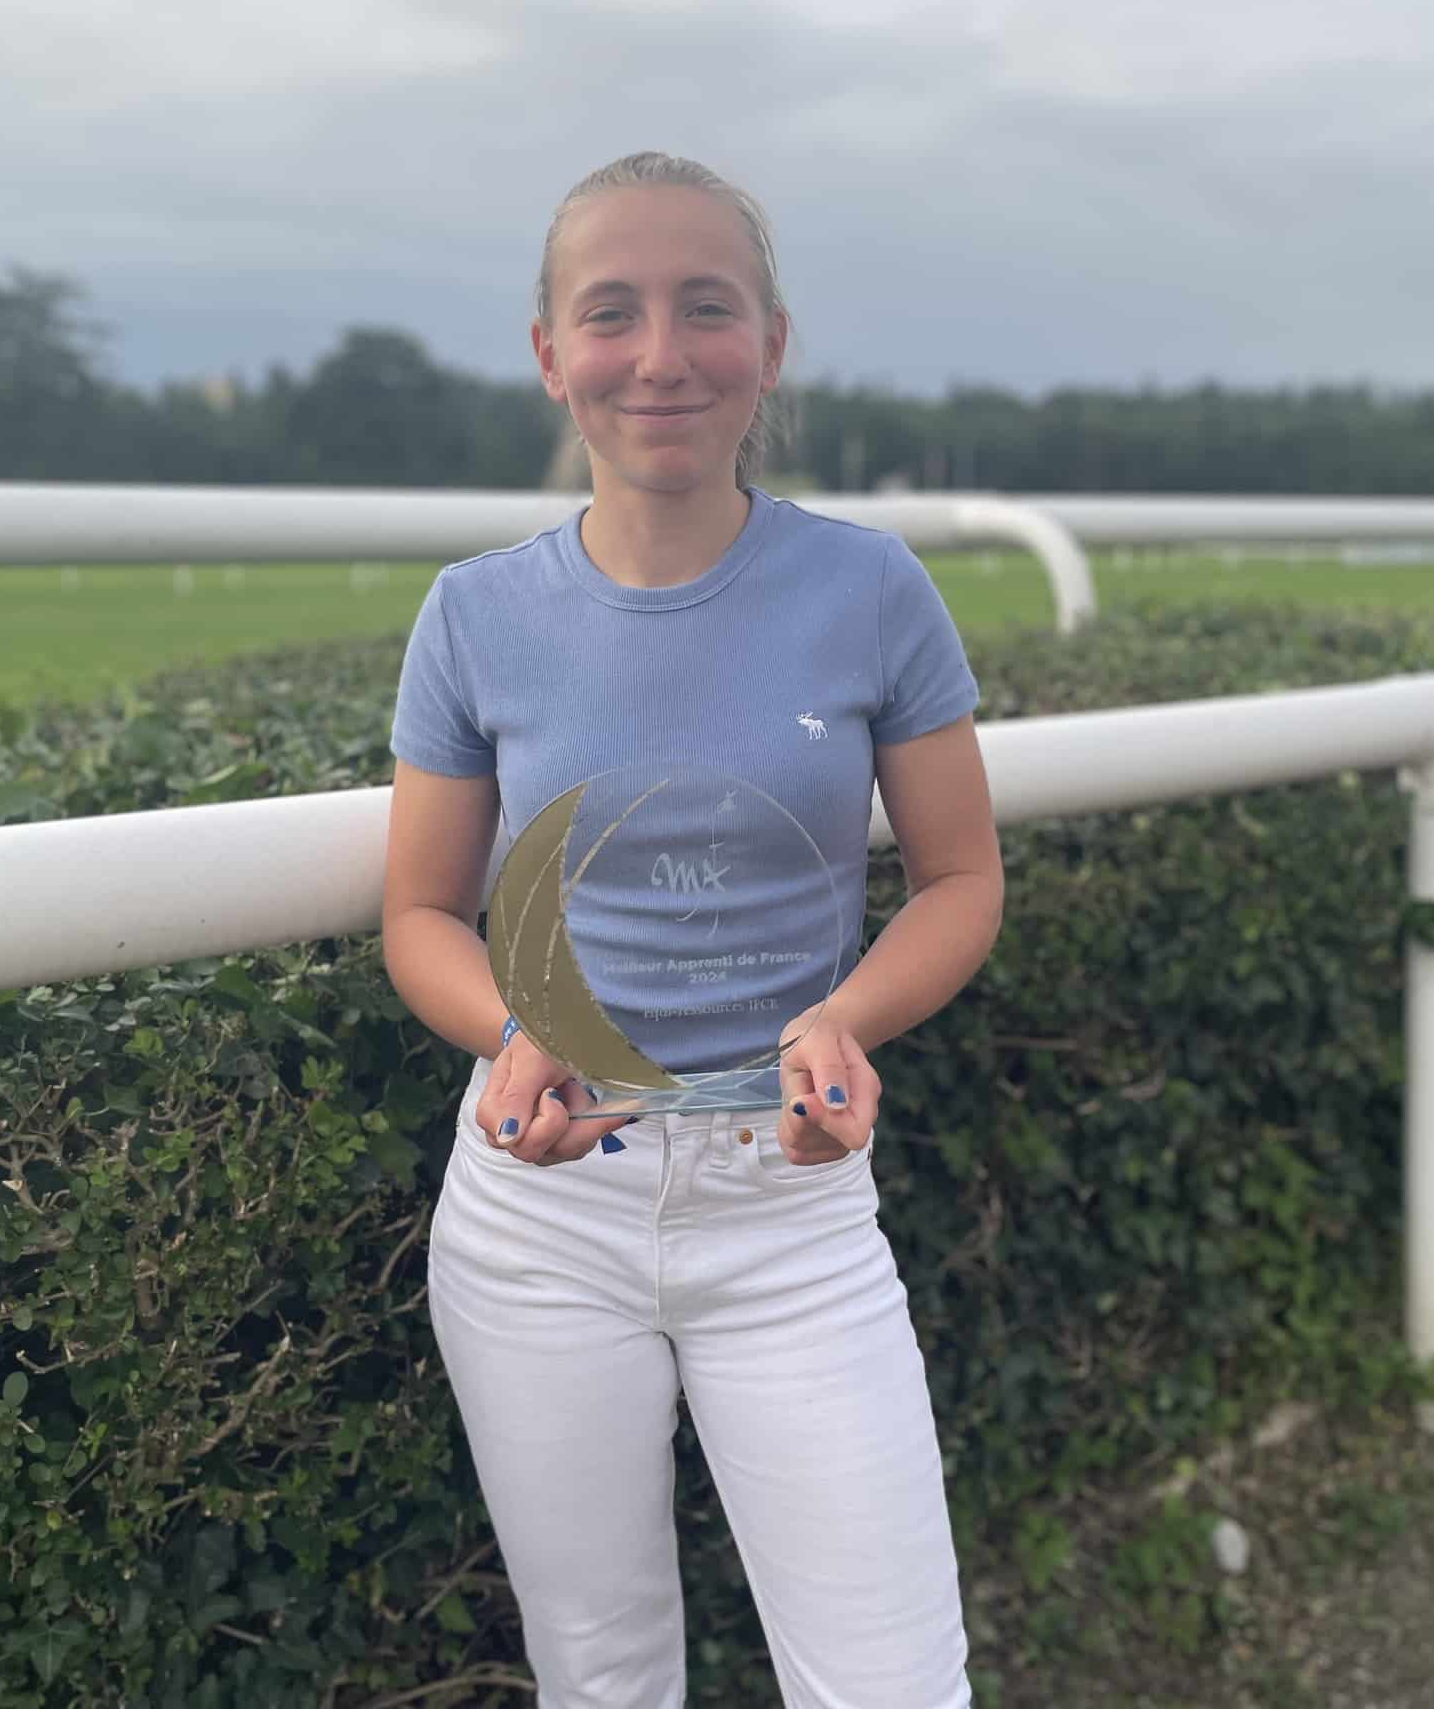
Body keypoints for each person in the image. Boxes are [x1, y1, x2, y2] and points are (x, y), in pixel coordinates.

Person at [382, 152, 1004, 1708]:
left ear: (771, 344)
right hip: (536, 1218)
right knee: (601, 1677)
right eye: (612, 313)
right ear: (551, 354)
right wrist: (512, 1035)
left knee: (894, 1683)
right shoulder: (474, 615)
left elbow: (960, 878)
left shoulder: (871, 589)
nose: (660, 355)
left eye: (706, 308)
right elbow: (420, 913)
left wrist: (845, 1017)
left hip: (790, 1209)